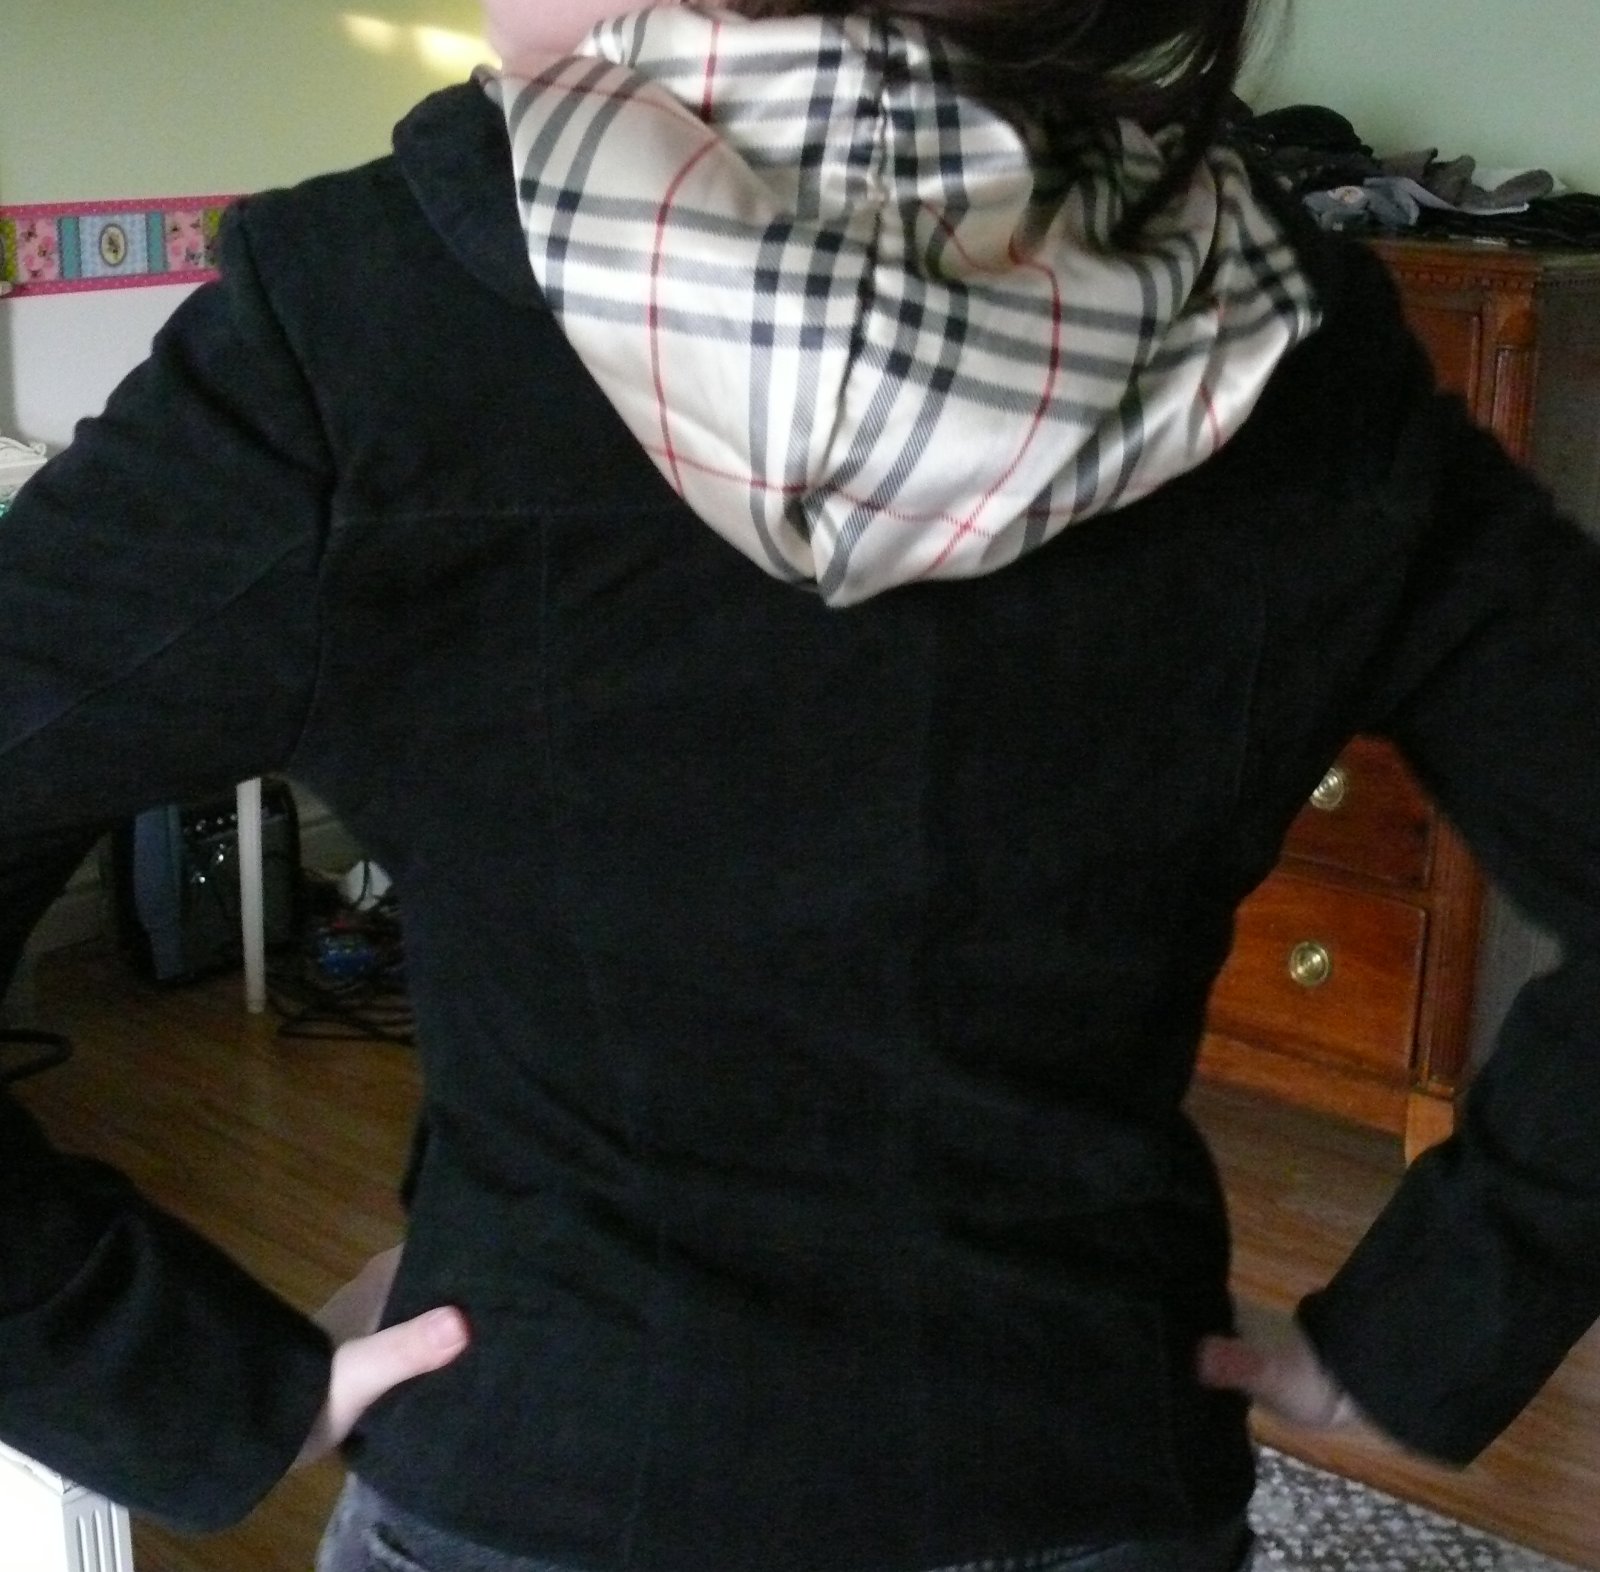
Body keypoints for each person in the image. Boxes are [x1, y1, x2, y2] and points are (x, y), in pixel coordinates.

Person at [3, 1, 1599, 1569]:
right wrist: (1422, 1333)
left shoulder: (358, 321)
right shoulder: (1285, 339)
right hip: (1081, 1439)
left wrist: (178, 1382)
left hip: (546, 1453)